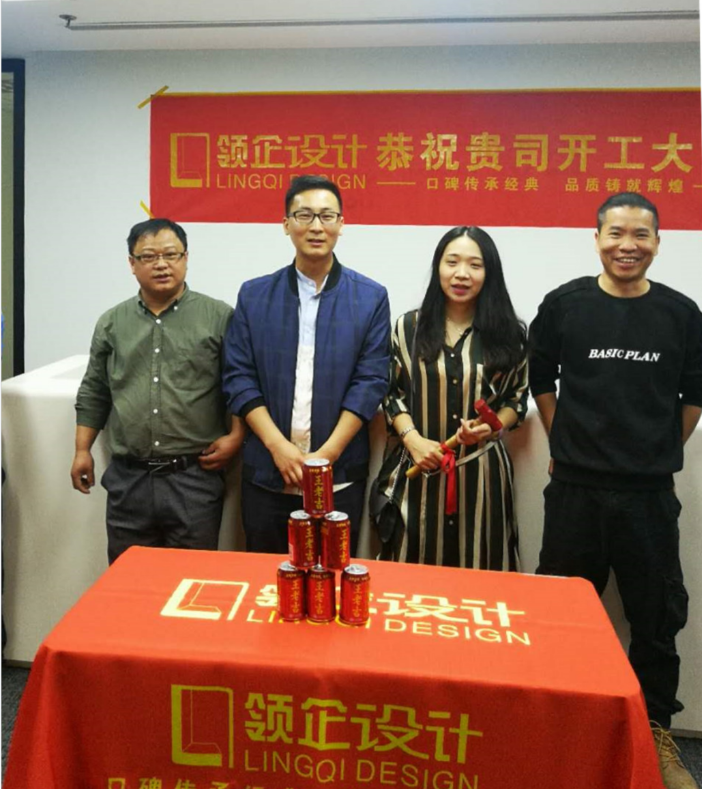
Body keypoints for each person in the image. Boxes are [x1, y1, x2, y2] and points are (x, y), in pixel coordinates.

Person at [529, 193, 702, 789]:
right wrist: (565, 438)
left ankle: (654, 735)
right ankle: (556, 729)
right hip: (575, 490)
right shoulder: (565, 305)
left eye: (641, 234)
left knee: (656, 620)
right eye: (616, 233)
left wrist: (658, 451)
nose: (628, 245)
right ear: (597, 237)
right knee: (560, 618)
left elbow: (694, 396)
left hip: (648, 496)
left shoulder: (681, 314)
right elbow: (540, 378)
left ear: (658, 242)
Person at [223, 175, 391, 555]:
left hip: (339, 478)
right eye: (304, 215)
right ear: (286, 224)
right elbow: (239, 378)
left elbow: (370, 382)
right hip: (267, 476)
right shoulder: (254, 295)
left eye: (327, 216)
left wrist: (326, 456)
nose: (316, 226)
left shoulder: (370, 298)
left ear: (341, 224)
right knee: (266, 581)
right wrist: (278, 447)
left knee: (333, 580)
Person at [71, 218, 245, 564]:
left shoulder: (219, 316)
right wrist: (81, 449)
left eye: (171, 254)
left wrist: (237, 435)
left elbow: (239, 383)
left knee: (192, 581)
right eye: (149, 256)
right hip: (129, 479)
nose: (161, 264)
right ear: (132, 263)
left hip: (193, 478)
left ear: (186, 258)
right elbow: (95, 390)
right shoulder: (112, 322)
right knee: (129, 581)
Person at [382, 225, 528, 568]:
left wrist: (492, 427)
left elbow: (516, 399)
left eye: (475, 265)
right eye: (452, 262)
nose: (462, 273)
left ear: (489, 273)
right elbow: (390, 392)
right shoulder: (407, 327)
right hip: (420, 469)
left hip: (483, 475)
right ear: (438, 267)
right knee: (413, 574)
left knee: (482, 571)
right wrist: (413, 440)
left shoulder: (510, 334)